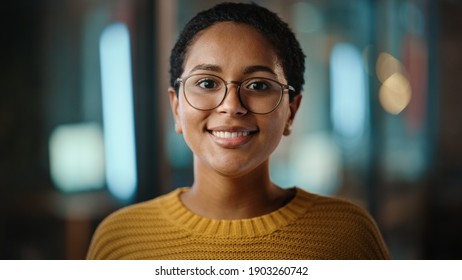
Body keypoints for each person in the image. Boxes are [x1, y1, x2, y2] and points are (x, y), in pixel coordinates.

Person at [86, 2, 391, 260]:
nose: (231, 106)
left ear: (291, 111)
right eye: (207, 83)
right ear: (177, 108)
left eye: (258, 85)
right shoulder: (121, 241)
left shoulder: (348, 236)